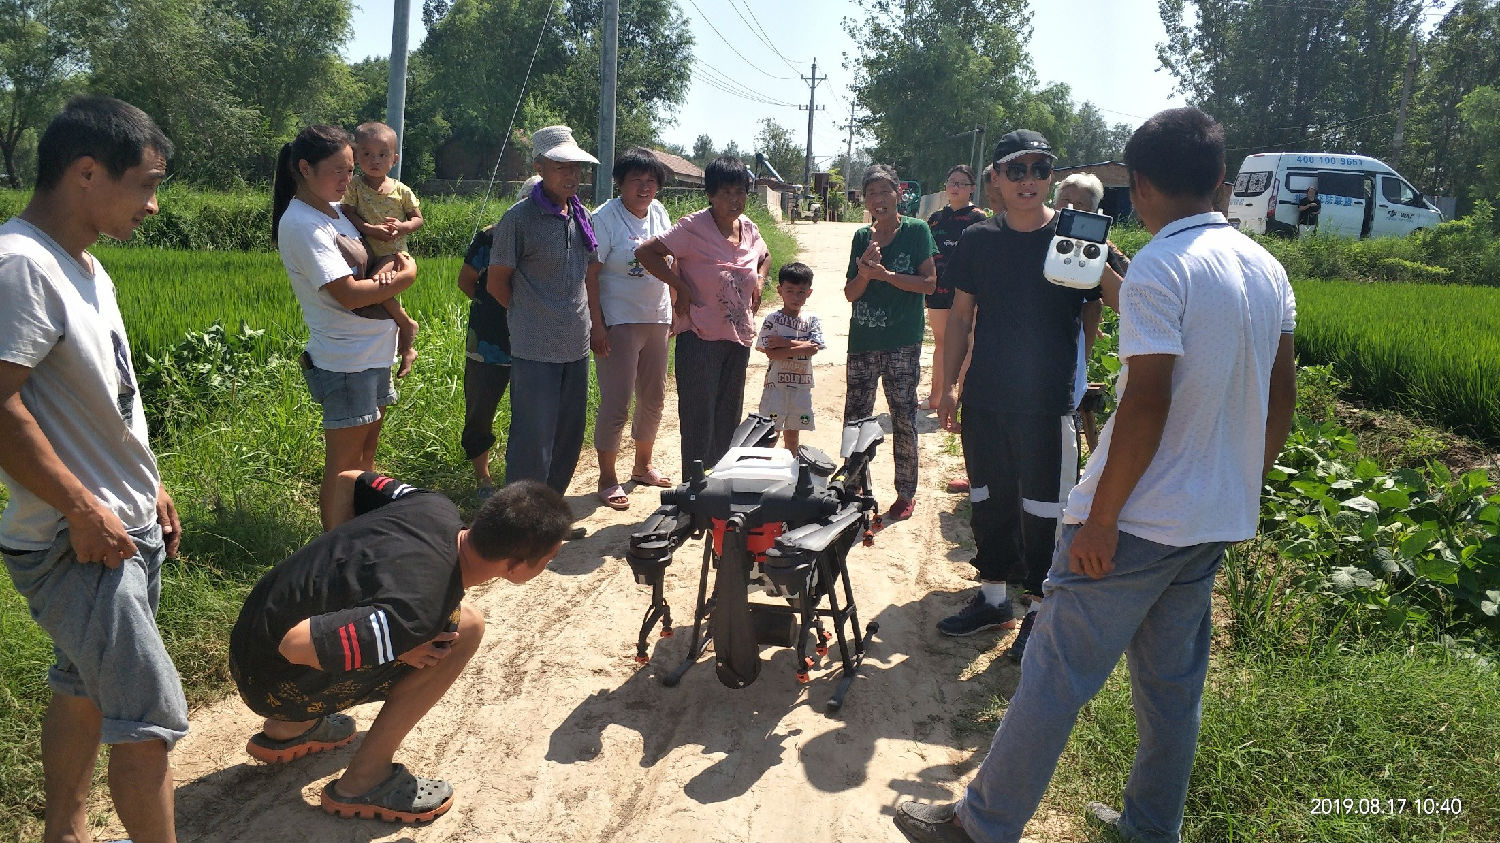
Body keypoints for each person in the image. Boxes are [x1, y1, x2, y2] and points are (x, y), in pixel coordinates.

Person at [895, 107, 1297, 843]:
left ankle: (980, 826)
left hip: (1136, 521)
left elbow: (1145, 402)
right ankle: (1150, 827)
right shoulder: (1268, 270)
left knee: (1054, 676)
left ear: (1136, 186)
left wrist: (1103, 518)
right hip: (1211, 519)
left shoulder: (1159, 271)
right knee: (1172, 692)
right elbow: (1280, 397)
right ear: (1219, 179)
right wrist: (1241, 485)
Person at [0, 96, 187, 843]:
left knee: (82, 689)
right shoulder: (21, 265)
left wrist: (150, 482)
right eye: (145, 183)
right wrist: (81, 504)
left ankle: (64, 830)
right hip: (77, 542)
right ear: (85, 172)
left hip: (118, 524)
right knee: (148, 722)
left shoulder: (86, 266)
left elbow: (106, 398)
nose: (152, 203)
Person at [228, 472, 572, 823]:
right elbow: (295, 644)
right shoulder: (418, 611)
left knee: (442, 621)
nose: (549, 565)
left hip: (249, 641)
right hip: (271, 681)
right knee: (465, 628)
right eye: (547, 559)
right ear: (513, 566)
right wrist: (394, 643)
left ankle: (289, 729)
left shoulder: (432, 504)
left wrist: (337, 571)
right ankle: (364, 780)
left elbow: (348, 479)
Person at [934, 131, 1102, 656]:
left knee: (1044, 508)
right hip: (986, 394)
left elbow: (1116, 300)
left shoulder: (1073, 239)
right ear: (997, 180)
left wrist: (1098, 250)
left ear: (1051, 177)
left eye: (1040, 169)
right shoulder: (979, 241)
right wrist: (948, 387)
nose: (1029, 180)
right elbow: (961, 316)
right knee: (989, 497)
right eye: (1017, 170)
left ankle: (1038, 608)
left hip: (1047, 401)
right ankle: (991, 599)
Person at [273, 124, 418, 530]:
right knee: (342, 468)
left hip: (372, 353)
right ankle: (335, 551)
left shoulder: (334, 211)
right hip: (346, 361)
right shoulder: (302, 223)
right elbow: (350, 294)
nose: (347, 179)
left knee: (365, 460)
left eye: (351, 170)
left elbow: (371, 262)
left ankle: (357, 536)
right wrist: (406, 279)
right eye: (338, 170)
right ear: (304, 168)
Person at [637, 155, 770, 472]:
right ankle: (691, 497)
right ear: (710, 194)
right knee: (698, 420)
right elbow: (646, 253)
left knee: (727, 418)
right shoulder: (692, 227)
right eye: (725, 193)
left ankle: (716, 496)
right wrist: (680, 287)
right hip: (699, 340)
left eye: (740, 192)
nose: (734, 200)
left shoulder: (748, 228)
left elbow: (763, 255)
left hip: (737, 340)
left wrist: (761, 280)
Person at [488, 125, 599, 495]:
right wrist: (531, 316)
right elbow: (497, 282)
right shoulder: (517, 220)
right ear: (539, 167)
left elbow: (588, 274)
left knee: (569, 435)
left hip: (575, 345)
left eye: (576, 167)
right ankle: (521, 523)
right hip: (534, 348)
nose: (572, 175)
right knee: (532, 439)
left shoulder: (580, 215)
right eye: (561, 166)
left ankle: (551, 515)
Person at [844, 164, 938, 523]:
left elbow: (929, 284)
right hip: (863, 340)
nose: (878, 200)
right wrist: (866, 275)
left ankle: (905, 492)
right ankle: (851, 488)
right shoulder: (860, 237)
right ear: (865, 200)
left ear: (900, 194)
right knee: (856, 417)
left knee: (902, 417)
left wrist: (886, 276)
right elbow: (851, 294)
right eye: (871, 194)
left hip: (902, 341)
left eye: (885, 192)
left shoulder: (917, 231)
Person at [587, 148, 675, 510]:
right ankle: (607, 477)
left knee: (654, 397)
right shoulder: (604, 218)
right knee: (617, 402)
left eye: (651, 180)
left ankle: (642, 465)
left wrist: (676, 305)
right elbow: (591, 274)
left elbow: (670, 260)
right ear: (620, 183)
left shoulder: (659, 213)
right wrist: (597, 324)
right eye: (636, 180)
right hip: (619, 320)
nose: (644, 187)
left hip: (657, 317)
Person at [341, 121, 424, 377]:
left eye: (382, 155)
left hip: (393, 253)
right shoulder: (355, 186)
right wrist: (370, 229)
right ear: (356, 156)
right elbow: (347, 211)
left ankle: (406, 328)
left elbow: (417, 219)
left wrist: (401, 227)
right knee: (371, 287)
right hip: (368, 249)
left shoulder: (401, 190)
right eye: (366, 154)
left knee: (377, 283)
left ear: (394, 159)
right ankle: (400, 331)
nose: (374, 160)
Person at [1053, 172, 1131, 425]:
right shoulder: (1035, 232)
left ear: (1094, 211)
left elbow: (1122, 303)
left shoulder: (1101, 247)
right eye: (1065, 200)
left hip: (1069, 357)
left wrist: (1097, 256)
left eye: (1082, 204)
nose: (1071, 208)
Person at [925, 165, 987, 412]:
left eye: (962, 183)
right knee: (941, 343)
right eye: (952, 182)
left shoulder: (979, 219)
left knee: (965, 341)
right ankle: (935, 397)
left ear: (972, 188)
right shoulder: (936, 219)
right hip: (938, 290)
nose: (955, 187)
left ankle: (961, 396)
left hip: (966, 291)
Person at [755, 262, 826, 450]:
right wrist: (802, 346)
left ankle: (791, 475)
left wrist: (784, 343)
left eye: (801, 292)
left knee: (793, 437)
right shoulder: (772, 319)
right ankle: (768, 474)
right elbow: (771, 353)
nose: (795, 297)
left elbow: (814, 348)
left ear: (809, 292)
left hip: (801, 388)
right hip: (775, 387)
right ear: (779, 290)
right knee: (770, 435)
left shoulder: (812, 320)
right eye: (790, 290)